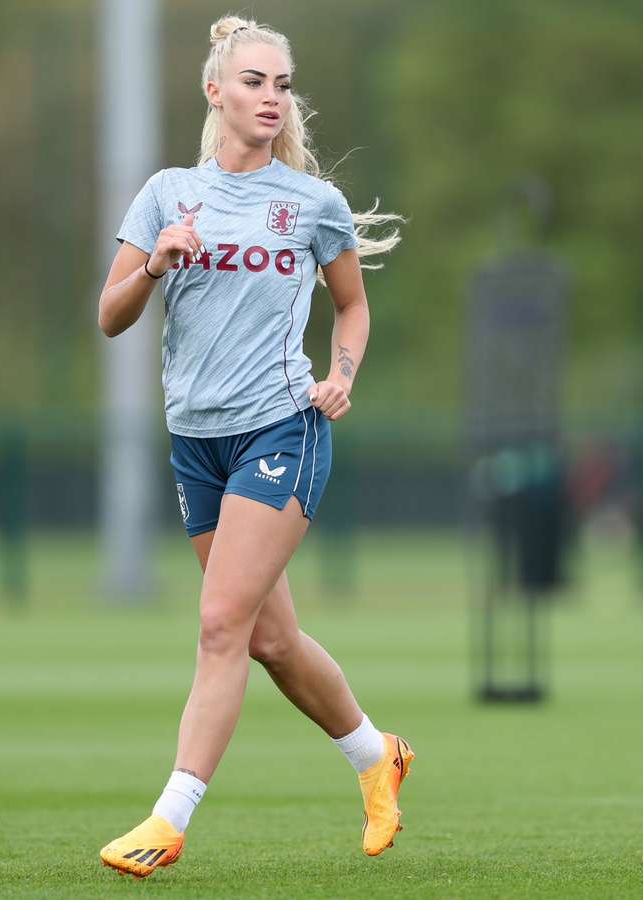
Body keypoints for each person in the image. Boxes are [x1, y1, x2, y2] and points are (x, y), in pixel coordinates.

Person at [95, 16, 411, 879]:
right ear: (216, 92)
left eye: (282, 84)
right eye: (255, 83)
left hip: (282, 427)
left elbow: (351, 305)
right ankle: (375, 756)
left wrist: (342, 373)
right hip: (197, 442)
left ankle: (170, 817)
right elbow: (110, 316)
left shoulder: (311, 204)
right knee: (271, 640)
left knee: (220, 624)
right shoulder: (166, 193)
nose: (272, 98)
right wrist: (155, 263)